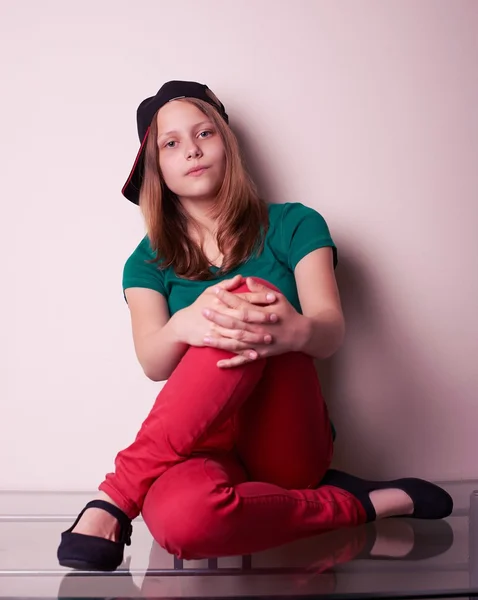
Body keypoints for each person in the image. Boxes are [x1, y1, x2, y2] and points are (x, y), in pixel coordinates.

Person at [57, 80, 453, 572]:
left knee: (240, 302)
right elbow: (153, 363)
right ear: (156, 167)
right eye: (171, 143)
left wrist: (293, 331)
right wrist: (183, 325)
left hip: (285, 444)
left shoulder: (294, 223)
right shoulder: (145, 263)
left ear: (227, 142)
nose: (193, 150)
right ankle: (362, 503)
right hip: (197, 444)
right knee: (182, 524)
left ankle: (115, 497)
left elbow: (330, 329)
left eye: (205, 133)